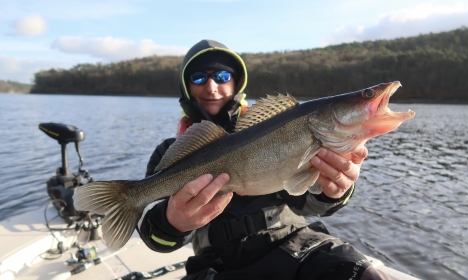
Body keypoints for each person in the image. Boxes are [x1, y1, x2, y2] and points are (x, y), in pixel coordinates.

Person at [137, 39, 394, 280]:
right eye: (199, 77)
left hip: (293, 244)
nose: (212, 86)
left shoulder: (277, 126)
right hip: (217, 262)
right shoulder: (170, 152)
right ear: (186, 86)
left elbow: (306, 202)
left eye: (223, 76)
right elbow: (154, 238)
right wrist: (173, 222)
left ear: (237, 83)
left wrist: (334, 192)